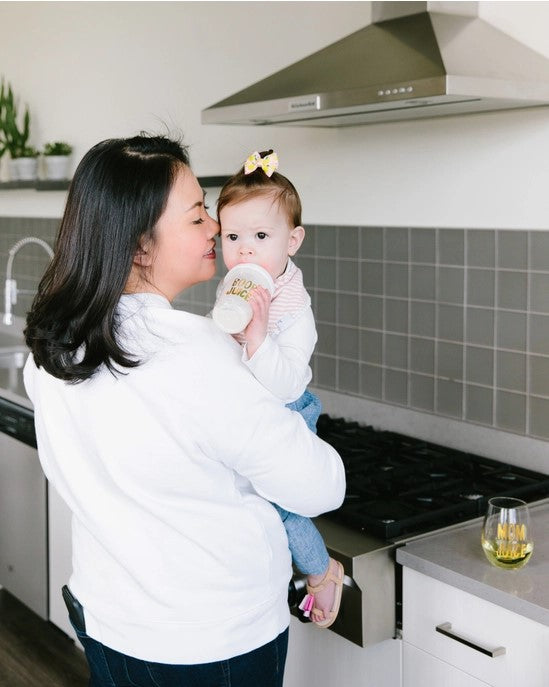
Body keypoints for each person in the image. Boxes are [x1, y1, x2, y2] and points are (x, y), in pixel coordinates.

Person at [23, 135, 345, 687]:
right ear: (140, 246)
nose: (217, 230)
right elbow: (321, 487)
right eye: (199, 217)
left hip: (110, 621)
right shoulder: (201, 354)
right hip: (212, 642)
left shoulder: (55, 347)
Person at [215, 149, 344, 628]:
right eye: (233, 237)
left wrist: (256, 339)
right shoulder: (243, 285)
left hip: (289, 410)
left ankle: (321, 569)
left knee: (281, 509)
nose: (244, 250)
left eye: (261, 236)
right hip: (252, 411)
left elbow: (290, 378)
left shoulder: (293, 307)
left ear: (293, 241)